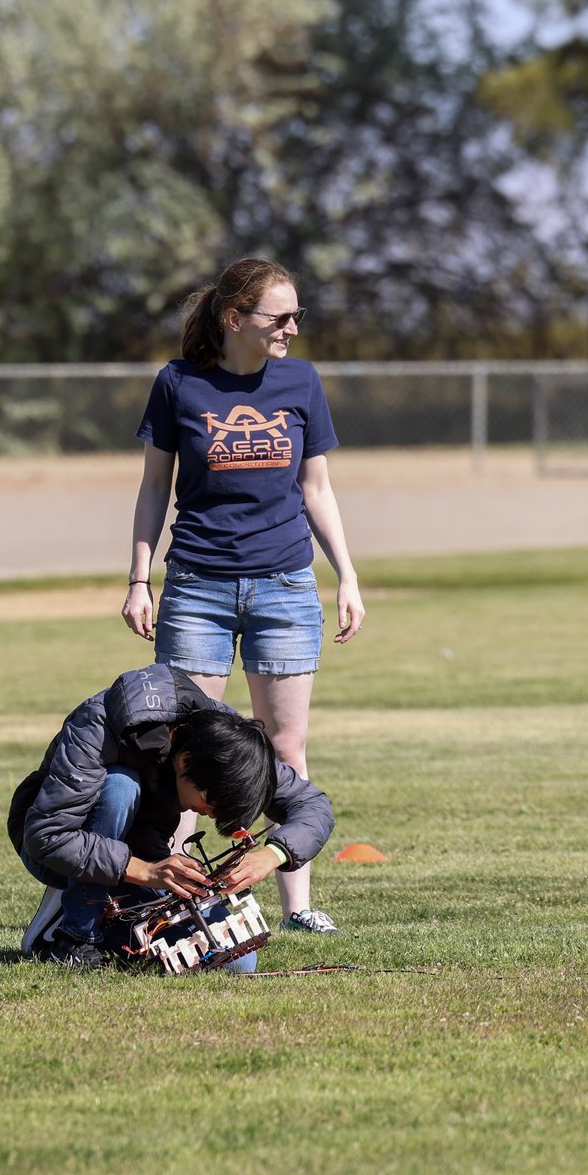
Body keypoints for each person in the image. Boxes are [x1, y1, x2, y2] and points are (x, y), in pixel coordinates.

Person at [122, 257, 364, 933]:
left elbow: (317, 489)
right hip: (196, 583)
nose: (292, 328)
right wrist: (139, 579)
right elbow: (152, 489)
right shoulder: (178, 384)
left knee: (286, 744)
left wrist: (346, 573)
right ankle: (173, 904)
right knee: (188, 747)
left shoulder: (301, 381)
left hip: (285, 585)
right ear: (235, 319)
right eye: (279, 317)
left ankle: (299, 905)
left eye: (296, 316)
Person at [10, 662, 335, 969]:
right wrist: (143, 870)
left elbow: (314, 806)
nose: (210, 813)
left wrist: (270, 856)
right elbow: (47, 835)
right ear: (185, 761)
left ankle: (100, 910)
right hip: (53, 850)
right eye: (213, 802)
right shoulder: (97, 723)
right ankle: (76, 933)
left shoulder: (229, 746)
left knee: (236, 957)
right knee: (120, 786)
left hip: (138, 857)